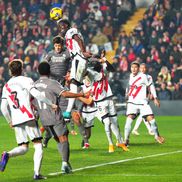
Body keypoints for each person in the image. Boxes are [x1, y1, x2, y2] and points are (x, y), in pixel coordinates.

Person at [0, 59, 57, 180]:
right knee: (38, 145)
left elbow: (3, 108)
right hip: (28, 117)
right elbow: (37, 94)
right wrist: (50, 103)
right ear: (21, 69)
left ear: (10, 71)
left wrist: (10, 121)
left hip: (16, 119)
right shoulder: (27, 80)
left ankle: (7, 154)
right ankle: (37, 173)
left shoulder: (6, 86)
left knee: (23, 147)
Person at [34, 62, 89, 173]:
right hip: (55, 116)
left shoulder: (34, 84)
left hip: (43, 118)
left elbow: (31, 101)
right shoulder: (52, 83)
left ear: (38, 72)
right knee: (64, 138)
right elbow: (65, 94)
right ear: (49, 71)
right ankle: (64, 164)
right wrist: (80, 95)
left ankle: (65, 162)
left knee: (58, 140)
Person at [86, 55, 128, 153]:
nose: (98, 63)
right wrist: (97, 60)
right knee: (107, 123)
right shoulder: (91, 72)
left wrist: (105, 60)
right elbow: (85, 70)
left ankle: (120, 142)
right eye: (97, 61)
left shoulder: (102, 69)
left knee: (115, 122)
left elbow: (112, 69)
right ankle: (110, 144)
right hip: (100, 102)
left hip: (109, 99)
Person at [56, 18, 92, 120]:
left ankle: (68, 112)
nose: (61, 28)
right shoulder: (67, 34)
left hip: (78, 57)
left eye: (62, 25)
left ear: (67, 25)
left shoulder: (71, 31)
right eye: (59, 26)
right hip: (77, 58)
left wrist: (83, 51)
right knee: (77, 82)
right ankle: (90, 95)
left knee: (73, 82)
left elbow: (78, 39)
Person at [124, 61, 164, 146]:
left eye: (135, 67)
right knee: (128, 121)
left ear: (138, 69)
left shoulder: (144, 76)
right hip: (132, 103)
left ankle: (157, 136)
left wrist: (155, 98)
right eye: (132, 67)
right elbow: (130, 87)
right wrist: (127, 94)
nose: (133, 69)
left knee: (152, 120)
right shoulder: (131, 76)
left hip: (143, 103)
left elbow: (151, 86)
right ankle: (126, 140)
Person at [132, 63, 159, 136]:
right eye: (141, 68)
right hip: (137, 99)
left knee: (143, 115)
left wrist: (154, 97)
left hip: (145, 99)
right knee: (143, 114)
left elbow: (151, 87)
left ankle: (137, 129)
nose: (143, 69)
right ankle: (150, 130)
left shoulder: (149, 77)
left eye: (144, 68)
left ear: (146, 69)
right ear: (139, 69)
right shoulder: (136, 76)